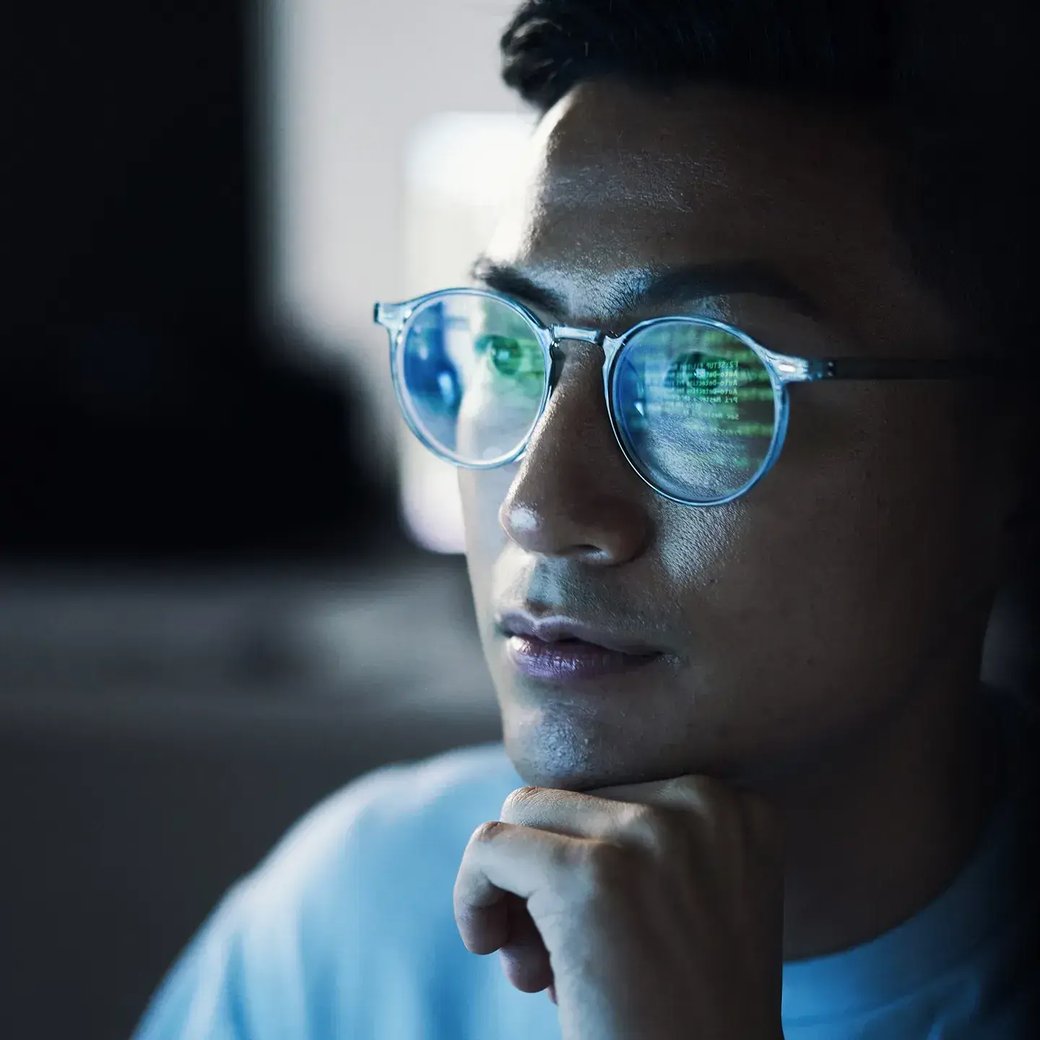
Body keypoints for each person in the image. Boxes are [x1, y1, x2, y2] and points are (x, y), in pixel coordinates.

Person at [133, 1, 1039, 1037]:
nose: (537, 507)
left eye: (704, 379)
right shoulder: (354, 924)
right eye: (509, 350)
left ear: (1008, 473)